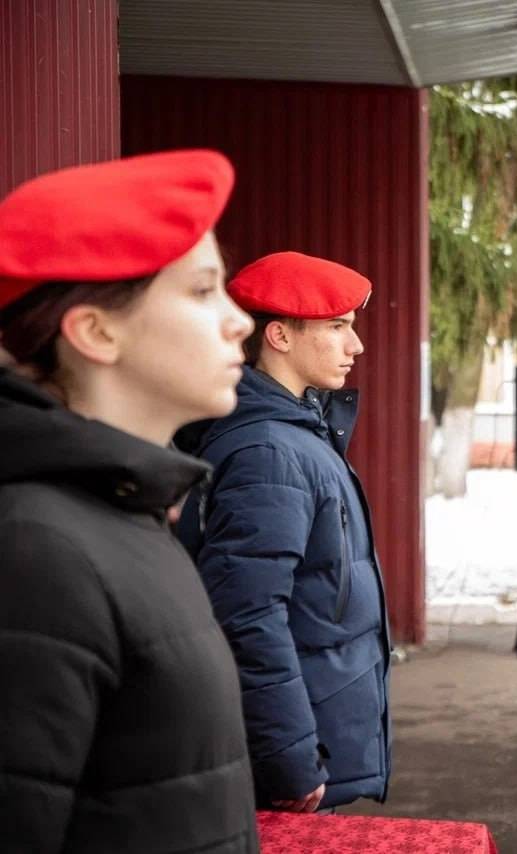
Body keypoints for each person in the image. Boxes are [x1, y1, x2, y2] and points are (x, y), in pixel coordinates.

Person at [0, 151, 259, 851]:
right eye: (203, 291)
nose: (239, 321)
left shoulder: (124, 513)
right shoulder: (36, 552)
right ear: (96, 332)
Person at [176, 251, 391, 812]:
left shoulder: (297, 433)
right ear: (279, 336)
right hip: (298, 754)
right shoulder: (270, 451)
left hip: (318, 727)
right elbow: (246, 614)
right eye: (337, 327)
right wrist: (289, 756)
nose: (355, 346)